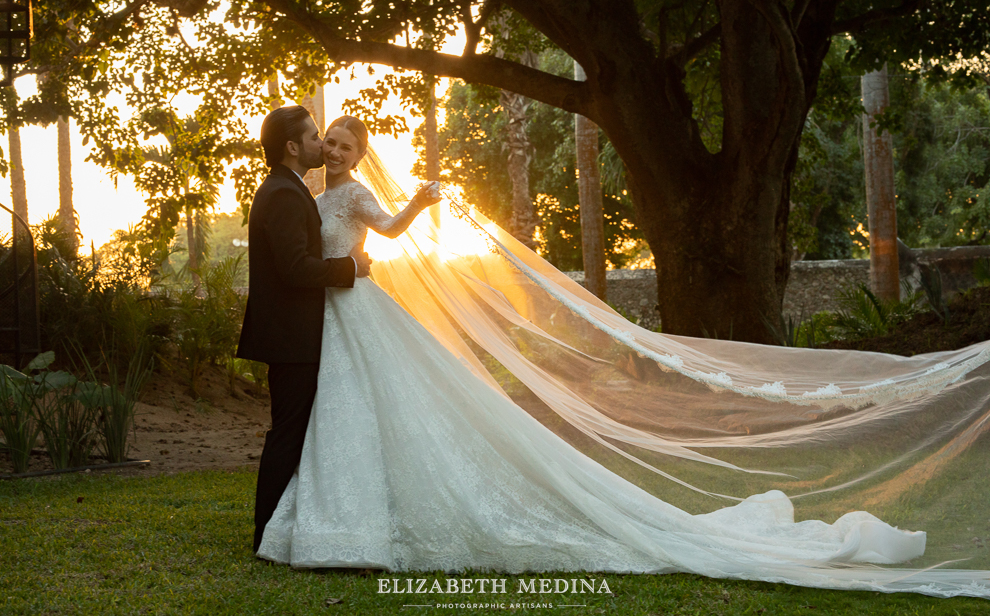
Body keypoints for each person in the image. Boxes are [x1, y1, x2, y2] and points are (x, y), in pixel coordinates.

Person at [254, 116, 990, 597]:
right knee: (337, 413)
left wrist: (416, 204)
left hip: (355, 309)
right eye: (328, 141)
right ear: (306, 150)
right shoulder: (299, 193)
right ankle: (323, 520)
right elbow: (305, 262)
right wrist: (348, 271)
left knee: (366, 405)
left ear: (357, 155)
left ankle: (334, 525)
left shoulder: (345, 199)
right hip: (336, 315)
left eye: (344, 144)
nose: (334, 148)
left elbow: (386, 230)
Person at [236, 106, 372, 554]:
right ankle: (266, 533)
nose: (323, 144)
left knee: (294, 430)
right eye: (316, 136)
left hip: (297, 334)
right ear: (293, 147)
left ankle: (278, 527)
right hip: (292, 337)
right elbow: (295, 269)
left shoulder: (289, 189)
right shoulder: (284, 194)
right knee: (288, 432)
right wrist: (350, 267)